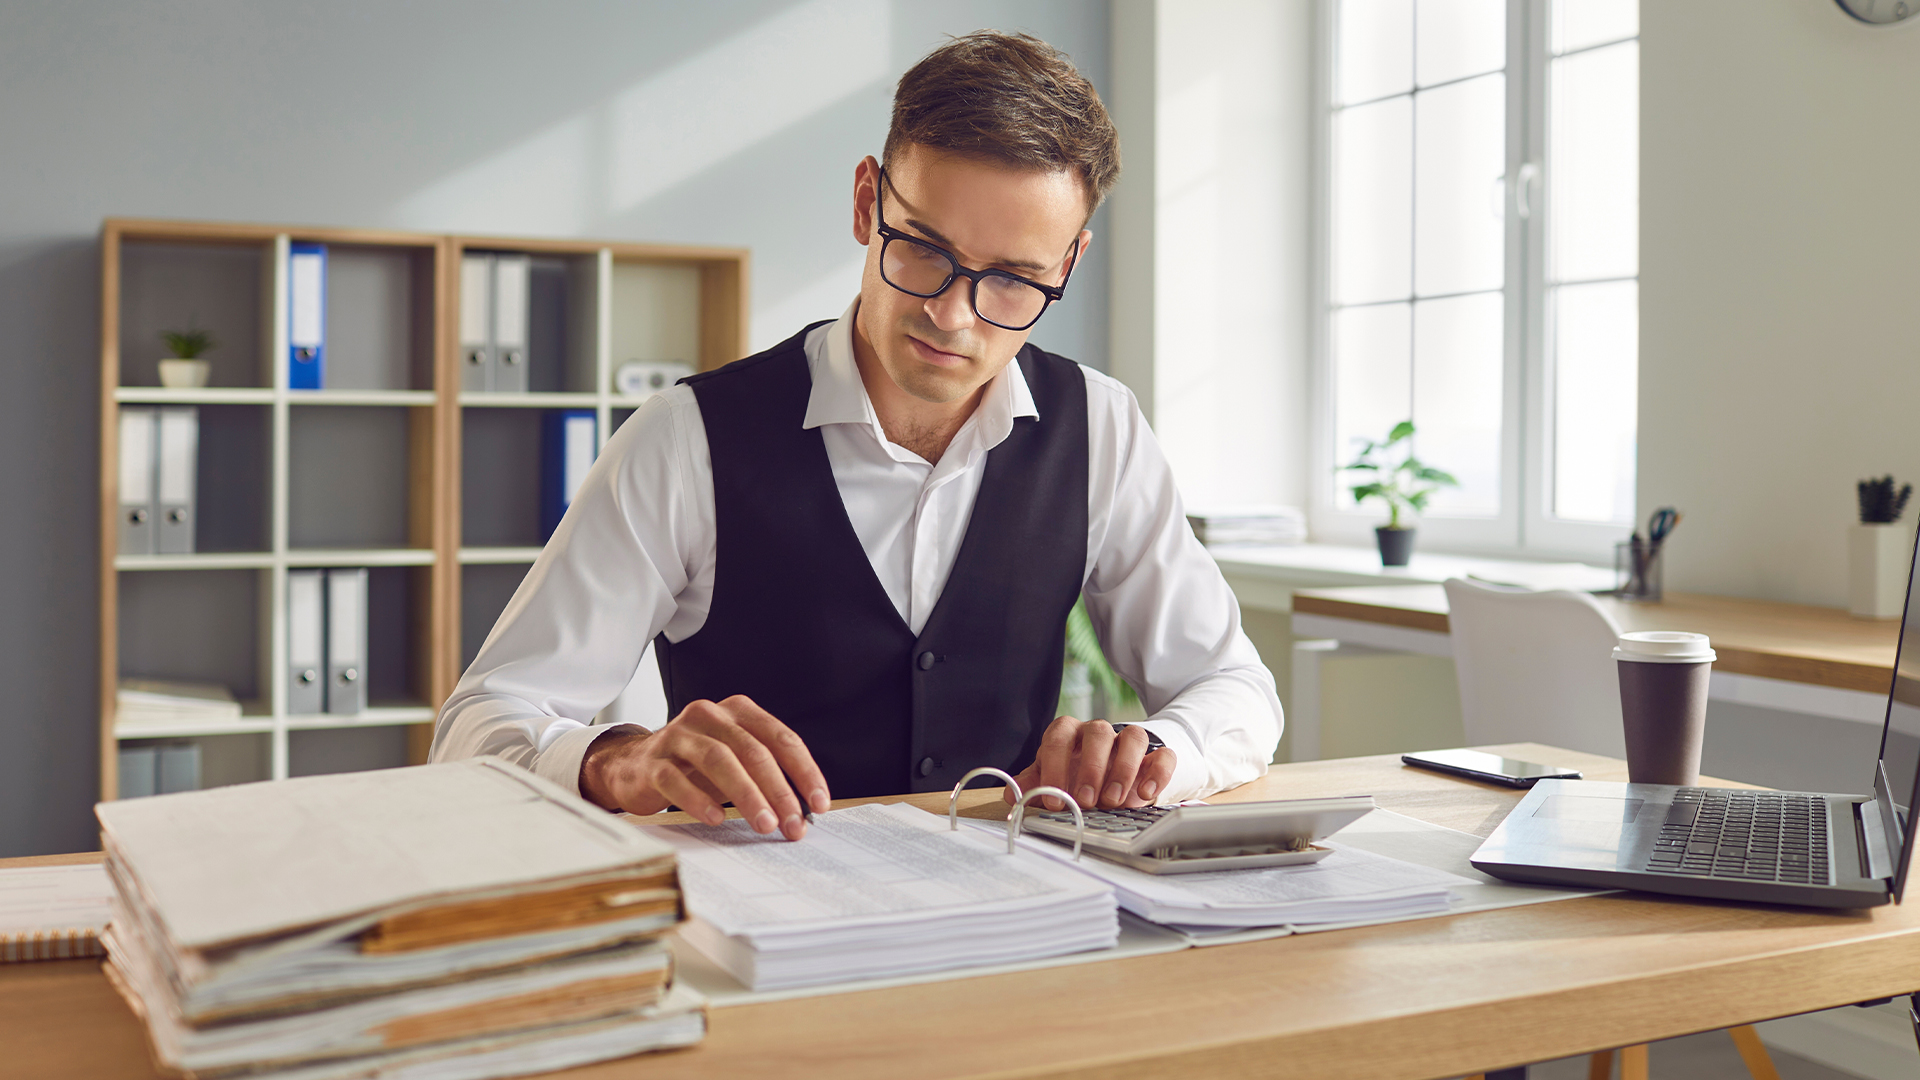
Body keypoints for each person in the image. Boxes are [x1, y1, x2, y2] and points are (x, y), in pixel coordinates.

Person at [432, 31, 1281, 841]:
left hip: (1017, 923)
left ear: (1066, 265)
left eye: (1015, 281)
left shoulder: (1100, 427)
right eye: (922, 249)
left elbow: (1233, 688)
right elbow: (477, 727)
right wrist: (617, 762)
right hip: (763, 929)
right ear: (867, 201)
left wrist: (1160, 756)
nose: (952, 316)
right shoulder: (687, 438)